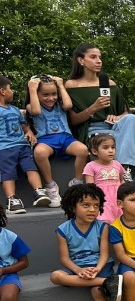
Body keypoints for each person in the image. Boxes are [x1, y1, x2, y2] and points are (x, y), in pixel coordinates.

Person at [64, 43, 135, 194]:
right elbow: (73, 120)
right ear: (81, 60)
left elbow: (125, 112)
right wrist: (94, 108)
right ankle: (131, 186)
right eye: (93, 57)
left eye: (100, 57)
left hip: (114, 127)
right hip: (93, 130)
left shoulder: (109, 83)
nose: (98, 61)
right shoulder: (72, 85)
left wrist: (118, 117)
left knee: (132, 119)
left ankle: (123, 172)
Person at [49, 184, 123, 301]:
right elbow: (64, 258)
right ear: (72, 207)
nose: (92, 210)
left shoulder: (103, 226)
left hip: (99, 266)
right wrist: (79, 270)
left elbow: (104, 253)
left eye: (96, 206)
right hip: (76, 267)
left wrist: (96, 269)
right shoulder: (62, 230)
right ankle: (108, 282)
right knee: (55, 276)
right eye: (86, 205)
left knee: (97, 291)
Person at [27, 74, 89, 204]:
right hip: (46, 139)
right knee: (40, 152)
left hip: (65, 137)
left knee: (83, 150)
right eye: (45, 95)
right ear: (36, 94)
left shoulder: (60, 105)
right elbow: (37, 111)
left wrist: (61, 85)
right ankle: (50, 186)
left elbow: (68, 105)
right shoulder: (31, 106)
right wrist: (32, 88)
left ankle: (77, 182)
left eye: (53, 94)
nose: (51, 98)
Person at [0, 75, 52, 213]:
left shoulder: (15, 109)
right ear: (2, 91)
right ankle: (12, 199)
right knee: (8, 174)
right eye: (10, 88)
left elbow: (24, 126)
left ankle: (39, 192)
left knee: (31, 168)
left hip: (22, 146)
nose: (13, 92)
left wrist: (29, 132)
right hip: (4, 148)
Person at [83, 133, 127, 224]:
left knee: (121, 220)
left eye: (113, 147)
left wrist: (125, 193)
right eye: (106, 148)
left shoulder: (117, 164)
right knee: (105, 221)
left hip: (117, 198)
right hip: (103, 199)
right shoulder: (90, 166)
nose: (111, 150)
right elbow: (90, 186)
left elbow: (121, 180)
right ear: (95, 151)